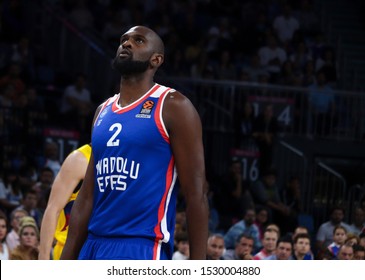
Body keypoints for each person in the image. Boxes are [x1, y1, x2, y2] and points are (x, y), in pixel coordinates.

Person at [61, 25, 208, 260]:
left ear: (156, 60)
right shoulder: (102, 111)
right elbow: (87, 197)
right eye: (124, 40)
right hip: (93, 244)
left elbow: (196, 194)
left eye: (138, 41)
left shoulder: (173, 106)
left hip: (140, 245)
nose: (127, 44)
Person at [38, 144, 91, 260]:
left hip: (104, 248)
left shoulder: (126, 160)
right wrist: (43, 256)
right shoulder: (79, 159)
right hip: (70, 252)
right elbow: (53, 209)